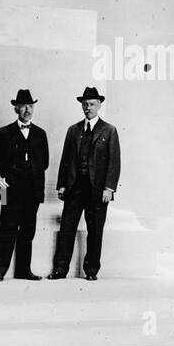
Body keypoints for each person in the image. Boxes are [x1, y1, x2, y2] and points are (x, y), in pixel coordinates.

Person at [48, 86, 121, 281]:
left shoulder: (109, 130)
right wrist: (62, 185)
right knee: (67, 229)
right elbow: (65, 160)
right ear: (81, 106)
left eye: (92, 104)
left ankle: (91, 271)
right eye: (85, 104)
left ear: (99, 105)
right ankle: (60, 269)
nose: (88, 107)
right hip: (74, 188)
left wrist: (109, 188)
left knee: (95, 231)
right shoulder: (73, 130)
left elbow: (114, 162)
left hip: (98, 191)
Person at [0, 89, 49, 281]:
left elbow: (44, 163)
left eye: (31, 106)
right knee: (8, 231)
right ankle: (0, 271)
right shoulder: (3, 133)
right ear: (16, 109)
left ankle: (23, 271)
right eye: (23, 106)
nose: (28, 110)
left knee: (28, 232)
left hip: (32, 192)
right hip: (10, 192)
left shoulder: (40, 134)